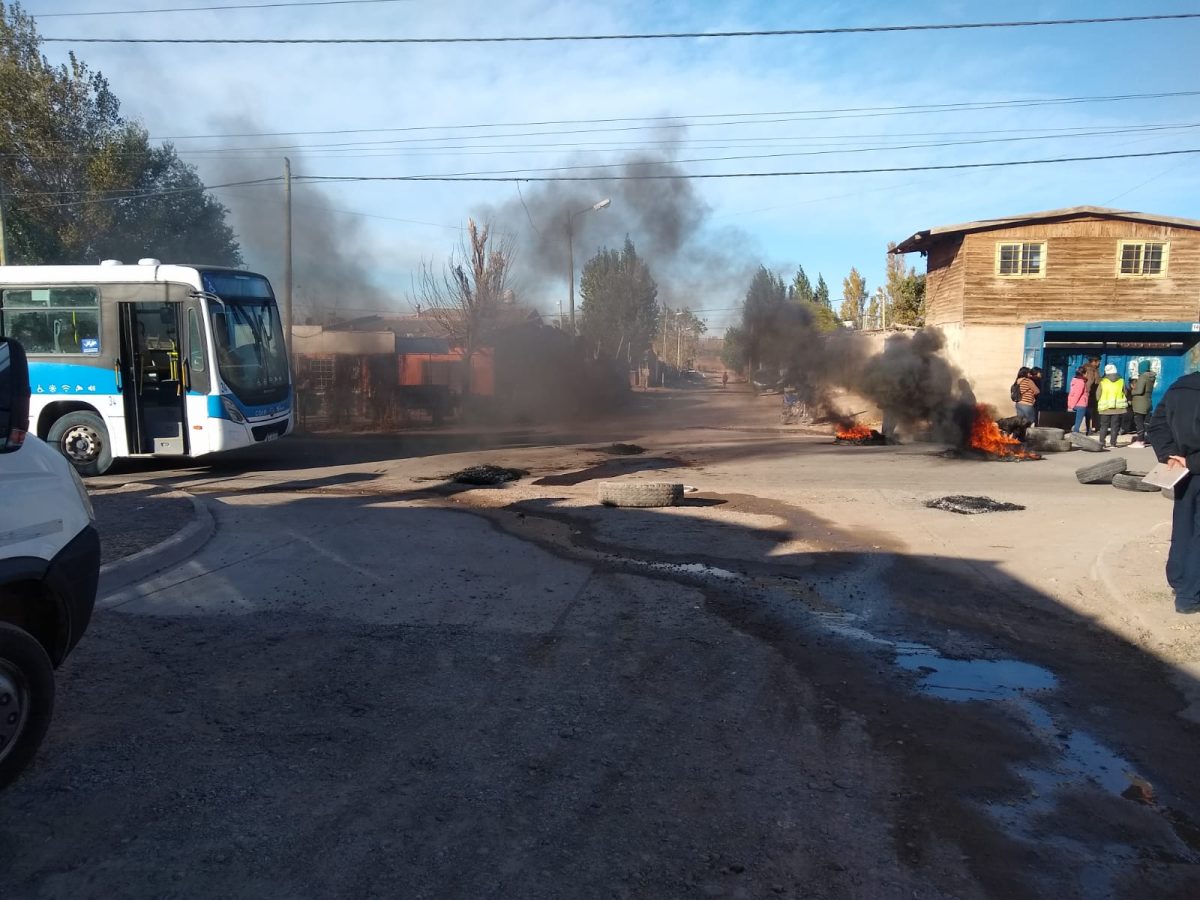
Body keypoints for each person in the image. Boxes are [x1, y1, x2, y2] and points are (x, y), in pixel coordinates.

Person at [1147, 371, 1200, 613]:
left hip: (1181, 471)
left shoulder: (1180, 386)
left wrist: (1171, 457)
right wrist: (1189, 462)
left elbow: (1156, 425)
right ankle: (1189, 597)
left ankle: (1178, 581)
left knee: (1183, 527)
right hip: (1190, 467)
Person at [1096, 363, 1127, 449]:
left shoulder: (1103, 382)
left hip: (1105, 408)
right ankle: (1113, 443)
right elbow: (1125, 392)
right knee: (1115, 426)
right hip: (1118, 408)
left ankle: (1102, 442)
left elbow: (1098, 395)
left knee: (1104, 426)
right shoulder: (1121, 381)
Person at [1128, 360, 1156, 448]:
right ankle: (1148, 439)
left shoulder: (1143, 377)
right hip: (1147, 401)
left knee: (1139, 423)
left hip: (1140, 404)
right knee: (1145, 423)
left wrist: (1132, 391)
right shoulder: (1151, 377)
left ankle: (1140, 441)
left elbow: (1139, 391)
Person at [1067, 365, 1090, 433]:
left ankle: (1087, 431)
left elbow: (1072, 394)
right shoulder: (1081, 382)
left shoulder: (1075, 381)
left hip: (1078, 404)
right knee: (1078, 422)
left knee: (1087, 415)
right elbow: (1077, 394)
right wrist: (1071, 405)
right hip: (1081, 404)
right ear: (1083, 374)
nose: (1087, 375)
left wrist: (1070, 404)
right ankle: (1075, 434)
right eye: (1086, 373)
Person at [1083, 354, 1102, 435]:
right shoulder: (1090, 370)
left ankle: (1089, 429)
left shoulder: (1093, 369)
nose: (1099, 363)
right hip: (1091, 394)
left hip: (1092, 393)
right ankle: (1088, 430)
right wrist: (1089, 393)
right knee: (1089, 413)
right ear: (1094, 362)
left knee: (1089, 412)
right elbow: (1090, 382)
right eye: (1098, 362)